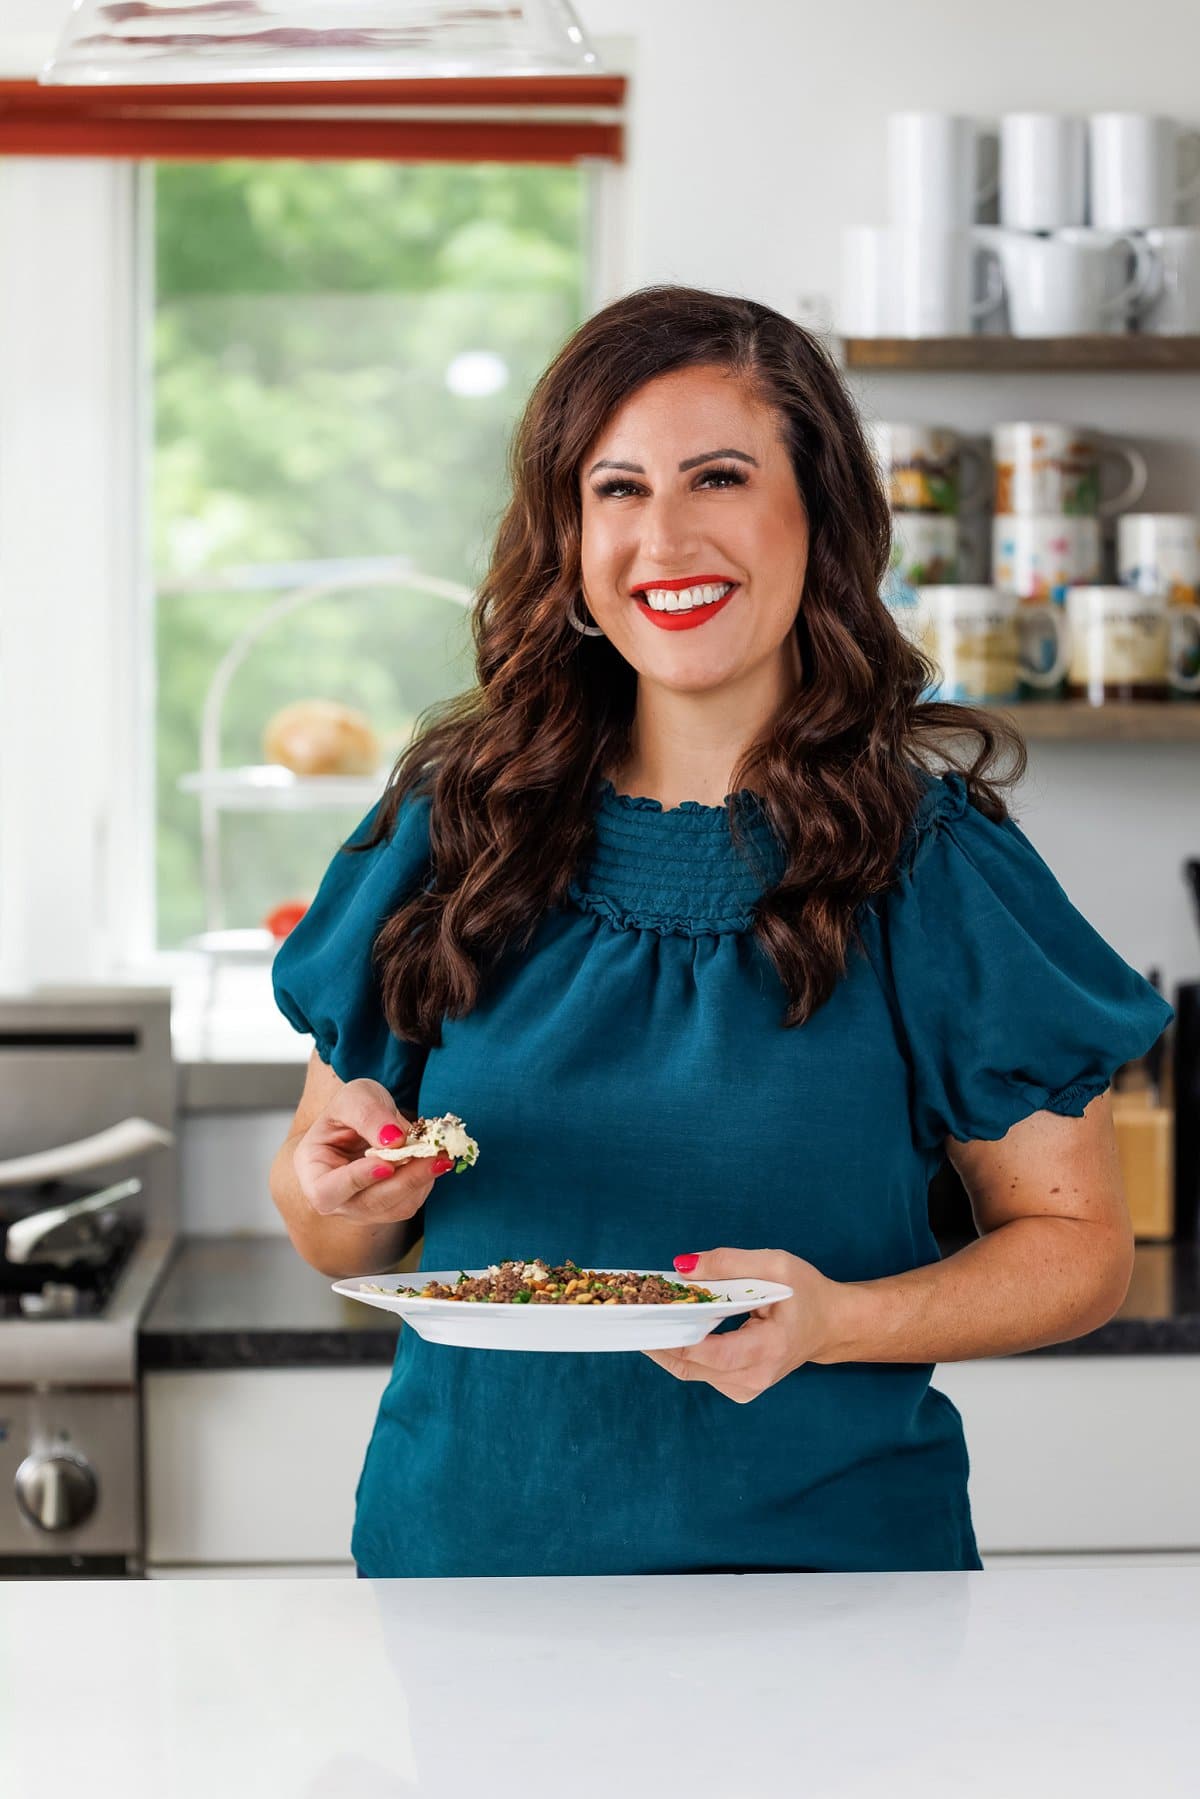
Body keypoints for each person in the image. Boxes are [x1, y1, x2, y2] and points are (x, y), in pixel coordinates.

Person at [269, 284, 1171, 1578]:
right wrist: (343, 1189)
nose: (665, 538)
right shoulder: (448, 824)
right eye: (618, 489)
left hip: (837, 1591)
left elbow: (1079, 1249)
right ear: (571, 537)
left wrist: (838, 1319)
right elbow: (335, 1223)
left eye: (721, 478)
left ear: (820, 514)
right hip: (467, 1573)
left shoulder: (932, 858)